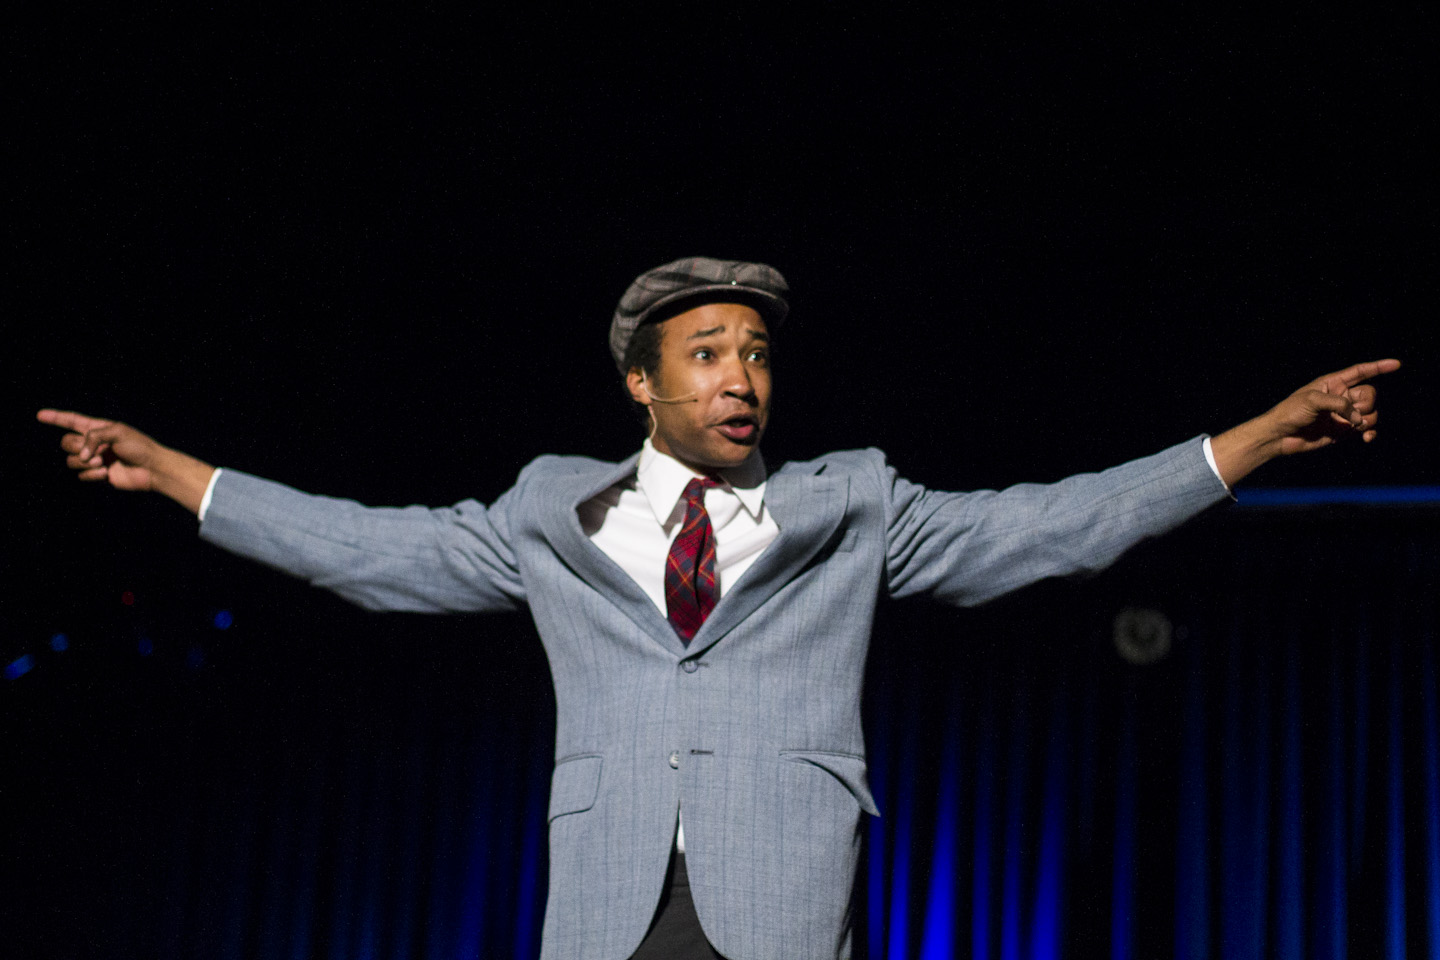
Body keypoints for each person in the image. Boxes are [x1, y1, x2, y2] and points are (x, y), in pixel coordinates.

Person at [38, 257, 1398, 960]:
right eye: (707, 354)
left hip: (781, 898)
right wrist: (175, 475)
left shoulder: (853, 501)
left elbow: (1050, 525)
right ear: (642, 383)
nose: (741, 376)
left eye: (755, 353)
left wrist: (1255, 438)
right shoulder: (547, 509)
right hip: (607, 904)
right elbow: (369, 550)